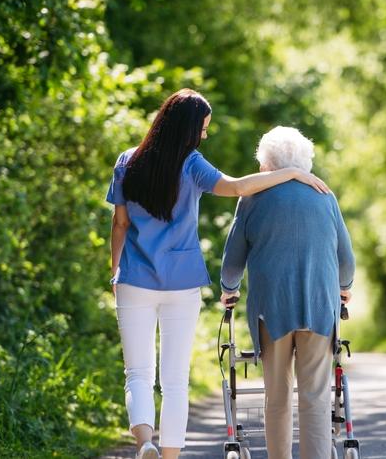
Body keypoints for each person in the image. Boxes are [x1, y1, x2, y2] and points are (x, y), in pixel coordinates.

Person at [106, 89, 329, 459]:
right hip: (182, 281)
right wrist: (292, 172)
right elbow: (239, 187)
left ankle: (145, 442)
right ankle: (171, 456)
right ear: (188, 130)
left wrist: (115, 271)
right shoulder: (191, 164)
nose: (205, 136)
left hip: (134, 280)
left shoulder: (127, 161)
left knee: (138, 373)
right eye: (203, 129)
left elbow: (120, 223)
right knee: (175, 381)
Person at [219, 126, 355, 459]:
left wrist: (228, 290)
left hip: (272, 309)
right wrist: (344, 288)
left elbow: (233, 258)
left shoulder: (251, 198)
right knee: (315, 398)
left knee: (278, 396)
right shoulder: (325, 195)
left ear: (267, 164)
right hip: (320, 308)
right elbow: (346, 258)